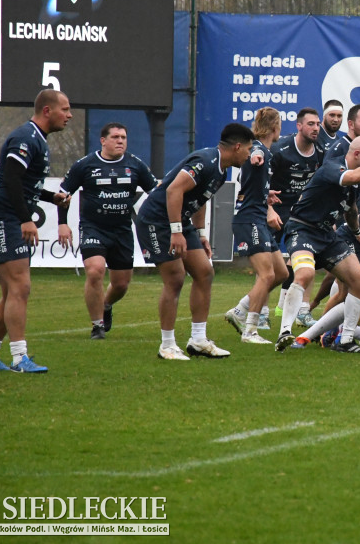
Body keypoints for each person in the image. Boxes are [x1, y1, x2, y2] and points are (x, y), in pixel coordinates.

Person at [276, 136, 360, 352]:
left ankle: (345, 339)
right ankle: (285, 333)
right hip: (303, 229)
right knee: (305, 274)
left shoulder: (355, 182)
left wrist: (357, 232)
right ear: (356, 154)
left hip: (328, 236)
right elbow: (353, 177)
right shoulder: (333, 167)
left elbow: (351, 209)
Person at [136, 123, 255, 360]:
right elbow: (173, 191)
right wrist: (176, 231)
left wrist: (201, 234)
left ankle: (198, 340)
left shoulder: (221, 170)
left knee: (204, 272)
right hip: (157, 220)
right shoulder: (206, 161)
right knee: (175, 277)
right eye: (249, 149)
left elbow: (201, 200)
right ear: (237, 146)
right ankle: (167, 346)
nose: (249, 155)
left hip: (179, 220)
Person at [0, 89, 73, 372]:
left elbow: (25, 184)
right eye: (65, 109)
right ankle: (20, 358)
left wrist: (50, 197)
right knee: (20, 287)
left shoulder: (37, 139)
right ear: (47, 111)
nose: (69, 115)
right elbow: (11, 179)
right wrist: (26, 219)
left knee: (12, 291)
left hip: (9, 217)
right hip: (3, 218)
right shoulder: (26, 138)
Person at [56, 122, 159, 339]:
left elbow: (157, 193)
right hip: (93, 227)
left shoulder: (135, 164)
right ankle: (97, 326)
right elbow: (63, 194)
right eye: (115, 137)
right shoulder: (85, 165)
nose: (120, 141)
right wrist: (62, 223)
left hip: (122, 230)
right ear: (103, 141)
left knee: (121, 284)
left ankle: (106, 304)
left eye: (123, 137)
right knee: (95, 271)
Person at [224, 108, 288, 345]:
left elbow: (248, 180)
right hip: (249, 219)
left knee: (281, 273)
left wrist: (265, 194)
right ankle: (250, 330)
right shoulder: (259, 149)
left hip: (258, 217)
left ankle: (240, 310)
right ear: (274, 127)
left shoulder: (265, 151)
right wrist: (256, 156)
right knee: (267, 274)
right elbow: (255, 154)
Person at [267, 107, 324, 325]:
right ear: (298, 126)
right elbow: (260, 181)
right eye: (310, 124)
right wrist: (268, 209)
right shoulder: (279, 149)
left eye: (317, 124)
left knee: (305, 259)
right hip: (276, 209)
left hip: (301, 213)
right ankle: (260, 311)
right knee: (268, 264)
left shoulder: (321, 151)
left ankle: (299, 310)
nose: (315, 128)